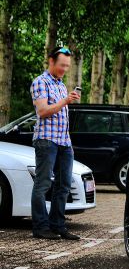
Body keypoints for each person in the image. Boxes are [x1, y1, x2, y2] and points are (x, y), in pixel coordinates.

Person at [30, 46, 81, 239]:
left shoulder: (60, 84)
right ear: (51, 61)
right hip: (46, 140)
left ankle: (58, 225)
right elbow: (42, 111)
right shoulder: (40, 82)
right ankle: (40, 228)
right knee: (42, 185)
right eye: (62, 65)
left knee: (64, 185)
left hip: (64, 141)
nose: (64, 69)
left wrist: (67, 99)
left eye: (67, 66)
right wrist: (66, 101)